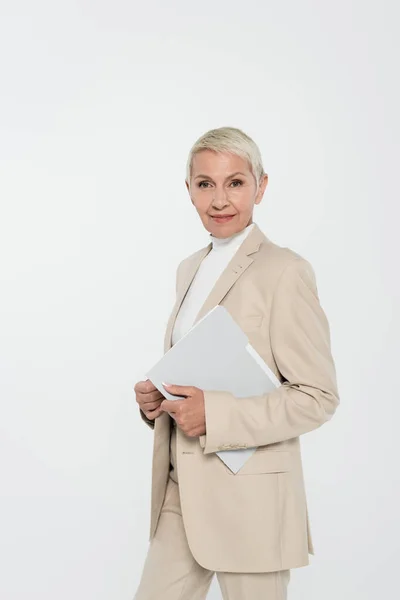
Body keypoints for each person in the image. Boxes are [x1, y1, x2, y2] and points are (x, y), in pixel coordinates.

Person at [133, 126, 340, 600]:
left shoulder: (284, 270)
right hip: (180, 492)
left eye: (236, 182)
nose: (220, 199)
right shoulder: (189, 267)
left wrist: (216, 414)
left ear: (260, 186)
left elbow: (318, 397)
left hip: (252, 502)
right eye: (205, 184)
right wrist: (158, 400)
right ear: (188, 190)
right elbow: (198, 364)